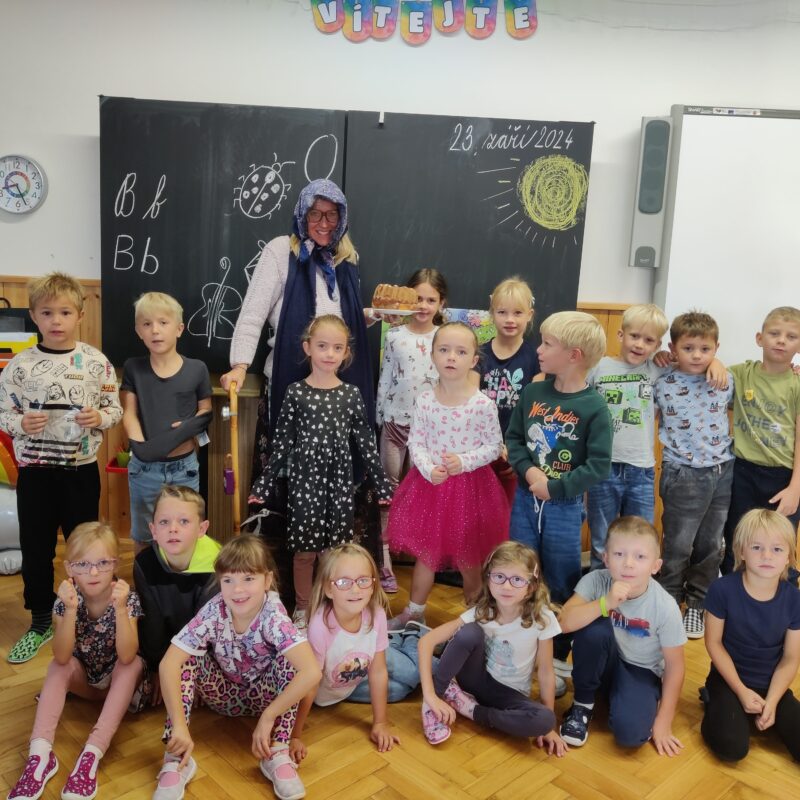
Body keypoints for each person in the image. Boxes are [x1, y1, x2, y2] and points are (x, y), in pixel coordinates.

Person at [0, 272, 122, 664]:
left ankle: (90, 613)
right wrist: (20, 423)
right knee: (36, 546)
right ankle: (40, 620)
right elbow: (3, 413)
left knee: (85, 545)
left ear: (80, 315)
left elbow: (114, 409)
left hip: (80, 471)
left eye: (65, 312)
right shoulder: (19, 366)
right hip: (34, 473)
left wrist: (98, 418)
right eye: (47, 312)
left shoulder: (96, 363)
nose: (56, 320)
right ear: (34, 315)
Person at [249, 316, 391, 630]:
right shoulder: (296, 393)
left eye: (337, 348)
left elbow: (366, 442)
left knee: (334, 553)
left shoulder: (350, 394)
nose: (329, 353)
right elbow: (281, 443)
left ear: (346, 353)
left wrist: (382, 486)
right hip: (305, 483)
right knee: (304, 552)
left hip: (339, 484)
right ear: (308, 347)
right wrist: (263, 484)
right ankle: (302, 609)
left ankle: (331, 608)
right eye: (322, 346)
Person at [153, 535, 321, 800]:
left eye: (248, 578)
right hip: (222, 695)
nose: (237, 590)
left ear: (267, 580)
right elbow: (168, 664)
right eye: (228, 580)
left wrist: (269, 716)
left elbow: (312, 672)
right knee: (184, 659)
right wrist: (180, 727)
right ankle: (176, 757)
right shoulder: (214, 610)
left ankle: (277, 751)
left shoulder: (274, 616)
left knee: (292, 661)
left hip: (266, 701)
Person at [506, 310, 612, 681]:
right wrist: (530, 472)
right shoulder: (533, 392)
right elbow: (515, 440)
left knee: (562, 577)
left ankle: (558, 650)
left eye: (547, 344)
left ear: (574, 355)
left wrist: (555, 488)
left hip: (564, 508)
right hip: (525, 499)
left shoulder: (595, 407)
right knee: (520, 567)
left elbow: (598, 465)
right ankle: (516, 638)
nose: (538, 350)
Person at [7, 522, 145, 800]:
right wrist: (69, 610)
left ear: (115, 564)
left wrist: (120, 609)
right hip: (86, 683)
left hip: (117, 685)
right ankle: (40, 756)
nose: (93, 572)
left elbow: (127, 655)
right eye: (83, 564)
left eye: (102, 563)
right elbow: (61, 656)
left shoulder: (127, 598)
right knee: (58, 667)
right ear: (69, 568)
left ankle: (91, 753)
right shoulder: (65, 600)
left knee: (134, 665)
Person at [386, 322, 509, 629]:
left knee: (469, 558)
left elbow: (494, 446)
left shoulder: (482, 404)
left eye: (461, 351)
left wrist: (464, 461)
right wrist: (428, 468)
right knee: (426, 554)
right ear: (432, 355)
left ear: (473, 360)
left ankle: (478, 617)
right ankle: (414, 611)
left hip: (471, 491)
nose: (451, 357)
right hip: (431, 488)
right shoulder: (425, 400)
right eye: (444, 350)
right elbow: (416, 442)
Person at [417, 542, 567, 754]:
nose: (507, 586)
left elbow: (545, 672)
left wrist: (548, 729)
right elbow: (426, 642)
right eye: (499, 577)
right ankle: (436, 700)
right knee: (469, 632)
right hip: (475, 681)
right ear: (488, 580)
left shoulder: (543, 618)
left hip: (509, 694)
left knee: (545, 719)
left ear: (531, 586)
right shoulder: (481, 612)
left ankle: (471, 709)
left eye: (517, 580)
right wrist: (430, 695)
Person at [558, 516, 686, 755]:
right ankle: (582, 704)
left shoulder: (665, 606)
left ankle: (626, 697)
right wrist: (605, 603)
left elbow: (675, 666)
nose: (628, 564)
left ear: (655, 566)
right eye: (619, 554)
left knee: (631, 736)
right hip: (603, 661)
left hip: (640, 670)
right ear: (606, 558)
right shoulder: (596, 580)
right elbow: (563, 623)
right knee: (593, 628)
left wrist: (664, 720)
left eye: (640, 557)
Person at [289, 543, 426, 763]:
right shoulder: (320, 627)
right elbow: (311, 682)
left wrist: (380, 723)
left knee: (412, 673)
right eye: (344, 582)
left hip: (364, 663)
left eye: (363, 581)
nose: (355, 590)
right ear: (328, 589)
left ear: (373, 585)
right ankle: (406, 641)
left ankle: (416, 638)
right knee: (398, 691)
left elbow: (378, 671)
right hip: (341, 685)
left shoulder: (377, 615)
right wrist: (294, 736)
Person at [653, 311, 734, 639]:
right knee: (678, 543)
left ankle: (699, 603)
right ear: (673, 348)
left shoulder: (725, 380)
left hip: (722, 470)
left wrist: (720, 363)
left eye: (705, 349)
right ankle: (670, 599)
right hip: (683, 473)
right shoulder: (663, 381)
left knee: (712, 543)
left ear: (716, 348)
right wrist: (659, 359)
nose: (697, 355)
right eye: (688, 348)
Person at [702, 509, 800, 761]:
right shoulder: (722, 590)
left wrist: (773, 701)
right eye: (757, 547)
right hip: (728, 680)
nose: (766, 556)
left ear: (788, 556)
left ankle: (761, 712)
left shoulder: (794, 599)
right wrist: (741, 691)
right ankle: (715, 701)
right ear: (741, 551)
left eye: (777, 549)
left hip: (771, 685)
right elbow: (713, 643)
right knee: (732, 748)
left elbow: (791, 658)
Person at [121, 292, 212, 555]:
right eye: (147, 324)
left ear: (179, 329)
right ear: (138, 331)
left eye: (163, 322)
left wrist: (185, 429)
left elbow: (205, 411)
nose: (155, 330)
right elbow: (129, 412)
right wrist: (142, 448)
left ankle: (181, 582)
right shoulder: (133, 367)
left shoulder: (197, 369)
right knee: (144, 535)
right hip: (144, 470)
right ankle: (145, 582)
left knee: (185, 534)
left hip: (184, 469)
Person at [375, 268, 447, 594]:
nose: (423, 305)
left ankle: (424, 561)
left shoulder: (444, 338)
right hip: (394, 423)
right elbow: (386, 376)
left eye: (431, 300)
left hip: (429, 431)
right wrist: (380, 415)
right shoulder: (394, 336)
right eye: (418, 298)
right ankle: (384, 561)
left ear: (441, 303)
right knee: (387, 492)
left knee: (423, 493)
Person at [721, 307, 800, 576]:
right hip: (742, 472)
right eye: (774, 333)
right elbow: (706, 370)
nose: (781, 340)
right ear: (759, 338)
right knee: (737, 540)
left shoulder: (797, 384)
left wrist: (795, 488)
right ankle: (733, 595)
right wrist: (714, 363)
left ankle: (782, 598)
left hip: (783, 477)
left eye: (791, 336)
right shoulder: (741, 374)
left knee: (779, 545)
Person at [133, 485, 221, 701]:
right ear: (153, 530)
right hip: (163, 646)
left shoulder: (218, 563)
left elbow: (207, 628)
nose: (173, 529)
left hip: (205, 649)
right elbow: (152, 622)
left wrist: (194, 671)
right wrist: (157, 668)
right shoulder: (144, 563)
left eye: (184, 521)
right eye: (164, 522)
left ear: (202, 528)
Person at [474, 276, 539, 507]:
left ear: (529, 315)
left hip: (516, 452)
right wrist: (489, 446)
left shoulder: (536, 358)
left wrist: (517, 451)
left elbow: (535, 412)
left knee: (510, 513)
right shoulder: (478, 355)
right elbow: (471, 404)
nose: (510, 319)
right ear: (492, 314)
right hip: (480, 449)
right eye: (502, 312)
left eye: (518, 313)